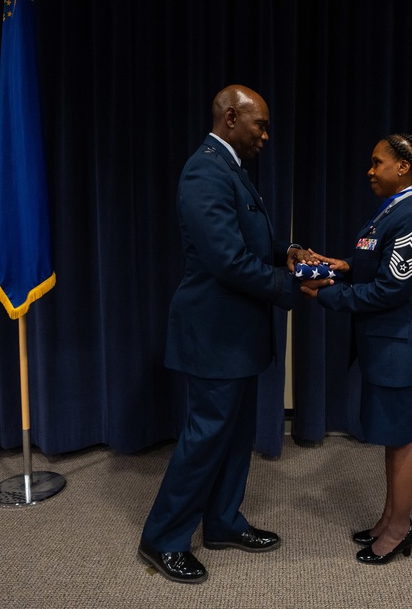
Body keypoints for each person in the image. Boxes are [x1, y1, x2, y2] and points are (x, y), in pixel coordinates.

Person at [139, 85, 308, 584]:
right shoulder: (204, 171)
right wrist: (292, 284)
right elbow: (226, 260)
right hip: (214, 333)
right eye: (261, 125)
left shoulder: (230, 168)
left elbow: (252, 241)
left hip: (238, 333)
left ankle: (222, 522)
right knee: (206, 436)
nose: (266, 135)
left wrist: (289, 253)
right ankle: (163, 538)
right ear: (232, 117)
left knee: (235, 435)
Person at [301, 133, 412, 565]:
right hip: (386, 344)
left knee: (402, 441)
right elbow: (376, 265)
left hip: (401, 347)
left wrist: (326, 295)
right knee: (393, 438)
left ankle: (399, 529)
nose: (370, 169)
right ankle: (389, 518)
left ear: (403, 167)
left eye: (377, 162)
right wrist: (344, 266)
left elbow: (389, 290)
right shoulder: (393, 210)